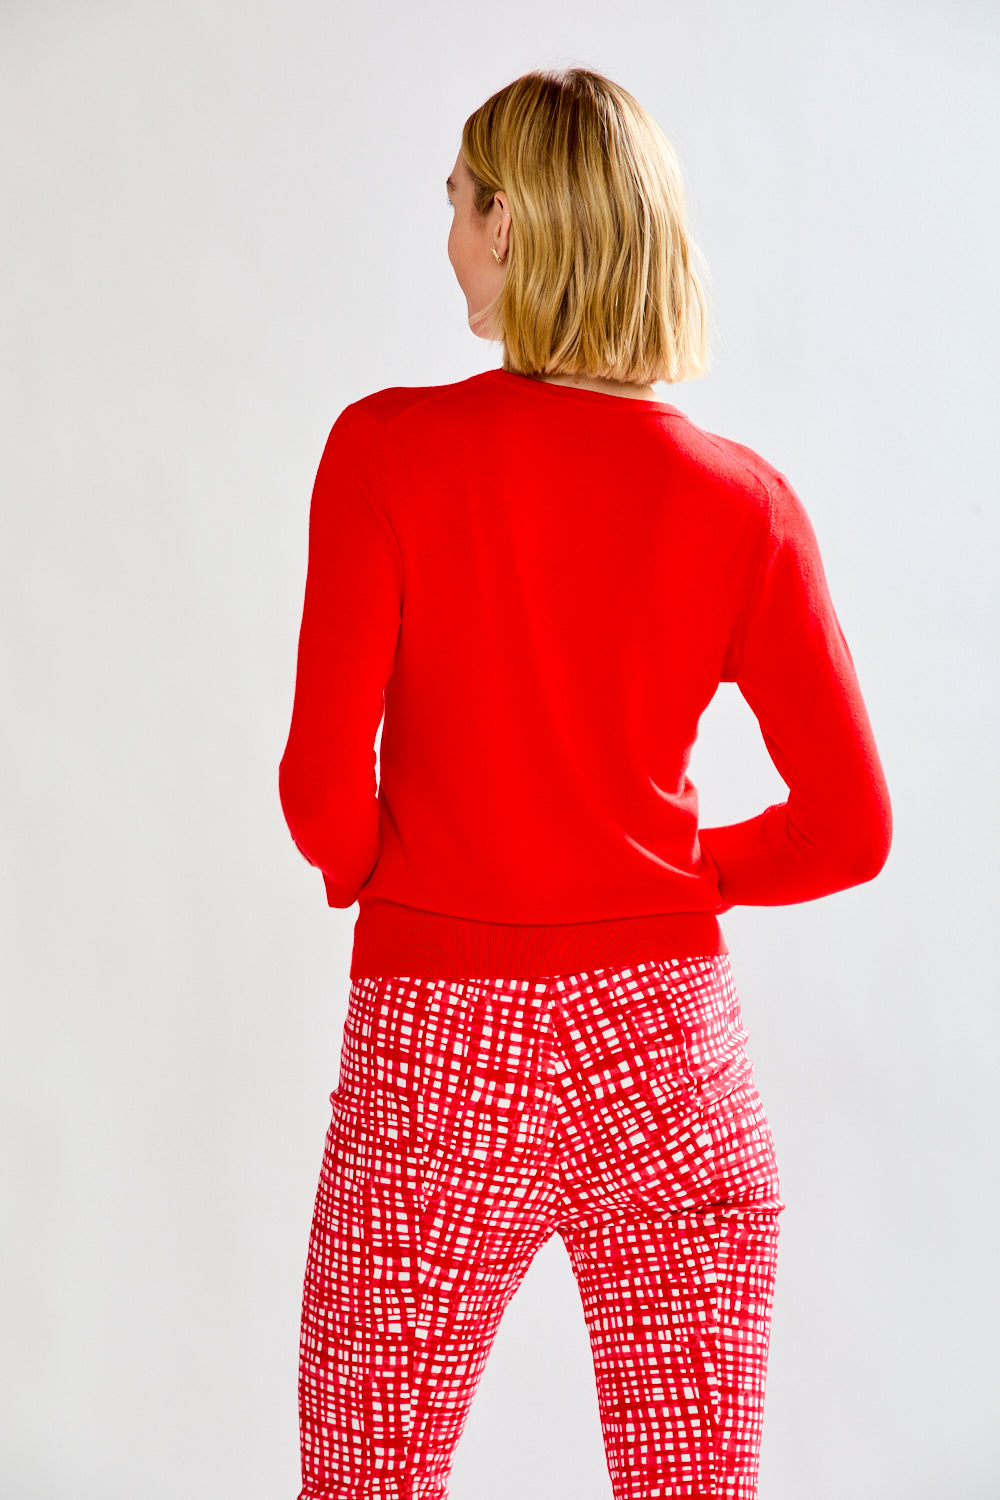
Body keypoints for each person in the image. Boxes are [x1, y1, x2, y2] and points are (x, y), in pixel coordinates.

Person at [278, 65, 892, 1500]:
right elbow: (851, 827)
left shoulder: (385, 451)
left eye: (456, 201)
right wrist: (692, 875)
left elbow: (321, 785)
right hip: (668, 1047)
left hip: (436, 1045)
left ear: (509, 222)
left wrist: (380, 872)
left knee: (366, 1481)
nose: (446, 233)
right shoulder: (743, 501)